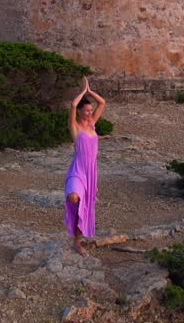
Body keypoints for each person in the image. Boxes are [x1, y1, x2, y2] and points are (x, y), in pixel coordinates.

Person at [64, 76, 105, 256]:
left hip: (91, 172)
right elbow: (72, 106)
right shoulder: (75, 128)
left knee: (84, 206)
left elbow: (102, 103)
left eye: (90, 110)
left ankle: (77, 242)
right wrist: (82, 93)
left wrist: (90, 92)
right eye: (86, 110)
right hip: (78, 170)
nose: (89, 113)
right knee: (73, 197)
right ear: (80, 112)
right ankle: (72, 222)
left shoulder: (92, 124)